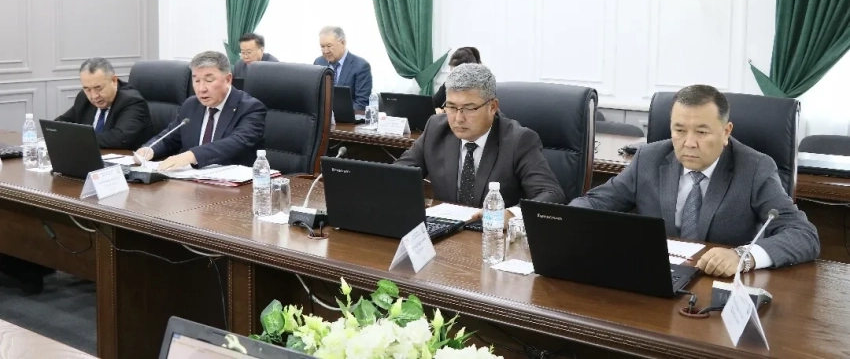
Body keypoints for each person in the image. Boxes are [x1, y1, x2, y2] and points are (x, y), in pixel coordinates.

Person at [570, 85, 820, 277]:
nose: (689, 143)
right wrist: (566, 226)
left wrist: (742, 257)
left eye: (701, 132)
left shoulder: (754, 168)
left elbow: (803, 234)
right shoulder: (649, 158)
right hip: (658, 277)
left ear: (726, 132)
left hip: (720, 285)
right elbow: (594, 203)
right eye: (679, 130)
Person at [395, 63, 565, 209]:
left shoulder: (518, 140)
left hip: (494, 232)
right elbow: (398, 174)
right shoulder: (436, 129)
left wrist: (509, 215)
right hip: (446, 230)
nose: (458, 118)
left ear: (492, 107)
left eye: (469, 108)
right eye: (452, 107)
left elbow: (552, 195)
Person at [135, 51, 266, 170]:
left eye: (209, 80)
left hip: (233, 183)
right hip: (191, 180)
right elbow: (170, 138)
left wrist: (191, 156)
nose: (201, 88)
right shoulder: (191, 105)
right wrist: (149, 149)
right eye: (196, 80)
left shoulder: (250, 108)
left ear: (228, 80)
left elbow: (236, 142)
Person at [56, 57, 155, 149]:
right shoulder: (83, 98)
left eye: (98, 88)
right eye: (87, 89)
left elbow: (118, 138)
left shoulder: (132, 101)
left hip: (127, 159)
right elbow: (59, 125)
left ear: (114, 81)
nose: (94, 96)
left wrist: (75, 140)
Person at [313, 26, 372, 110]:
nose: (326, 51)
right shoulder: (319, 62)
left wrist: (335, 114)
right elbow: (314, 96)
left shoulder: (361, 66)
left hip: (348, 117)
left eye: (329, 46)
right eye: (322, 46)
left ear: (343, 43)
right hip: (322, 116)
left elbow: (362, 104)